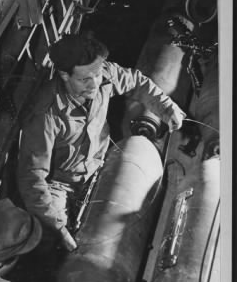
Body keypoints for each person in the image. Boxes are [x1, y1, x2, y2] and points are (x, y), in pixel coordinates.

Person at [17, 33, 186, 251]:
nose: (95, 83)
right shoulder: (46, 116)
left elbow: (137, 81)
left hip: (99, 161)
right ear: (64, 75)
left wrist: (166, 107)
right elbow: (32, 177)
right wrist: (57, 227)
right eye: (85, 79)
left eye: (97, 74)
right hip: (61, 184)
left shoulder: (102, 74)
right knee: (55, 240)